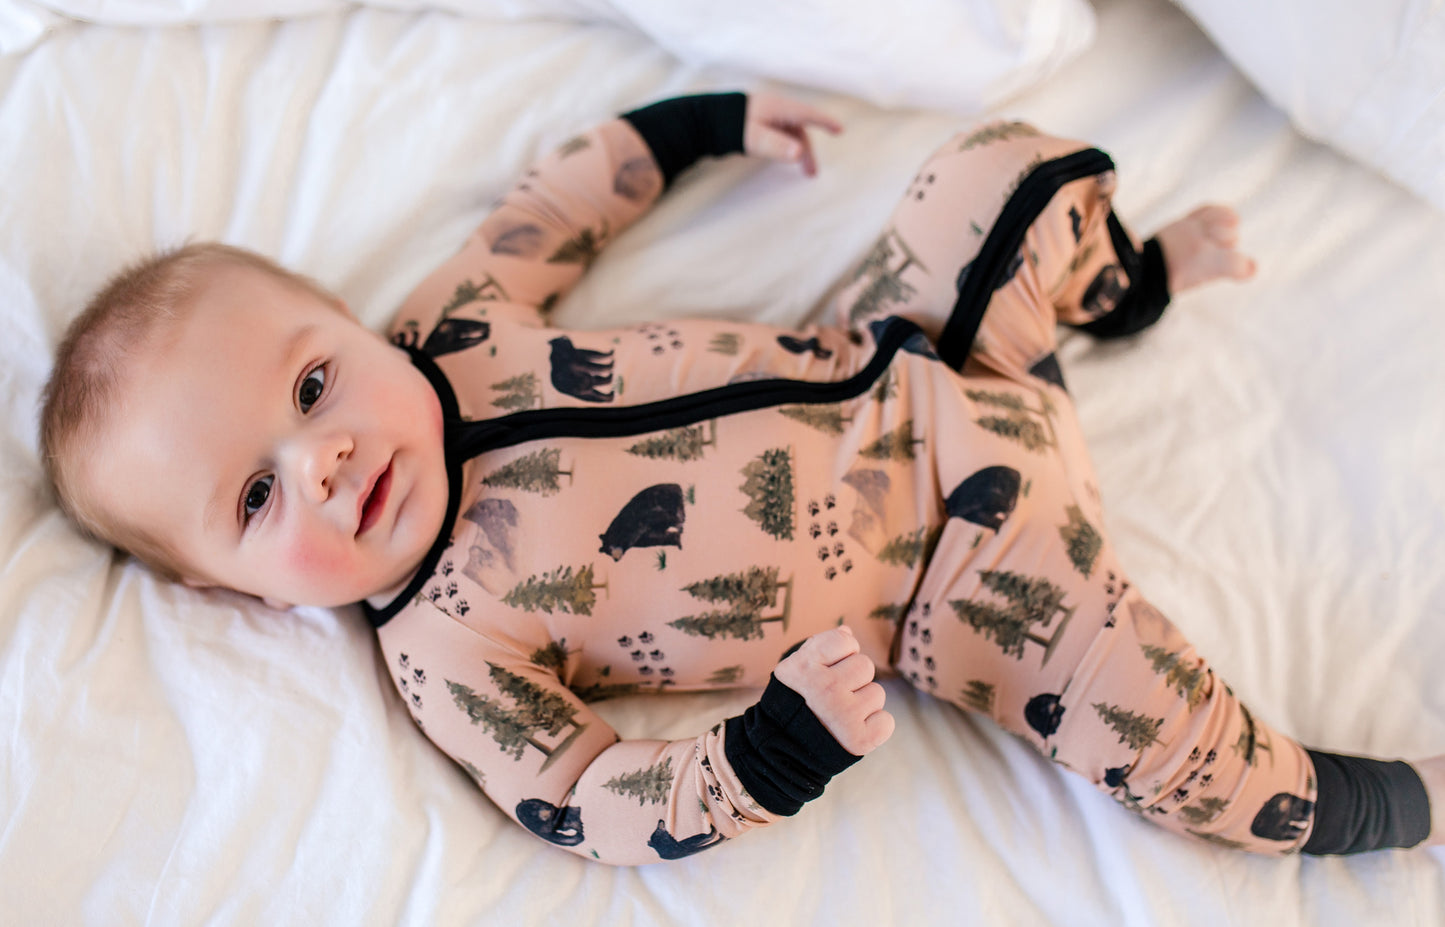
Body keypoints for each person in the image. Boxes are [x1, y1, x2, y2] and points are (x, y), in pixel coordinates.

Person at [38, 91, 1442, 865]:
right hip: (962, 576)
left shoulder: (451, 330)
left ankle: (1122, 288)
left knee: (1000, 174)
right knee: (1169, 748)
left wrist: (708, 126)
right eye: (254, 499)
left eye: (307, 385)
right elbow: (584, 798)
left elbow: (552, 209)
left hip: (931, 352)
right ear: (239, 599)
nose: (323, 455)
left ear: (349, 325)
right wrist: (762, 755)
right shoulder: (446, 647)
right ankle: (1401, 803)